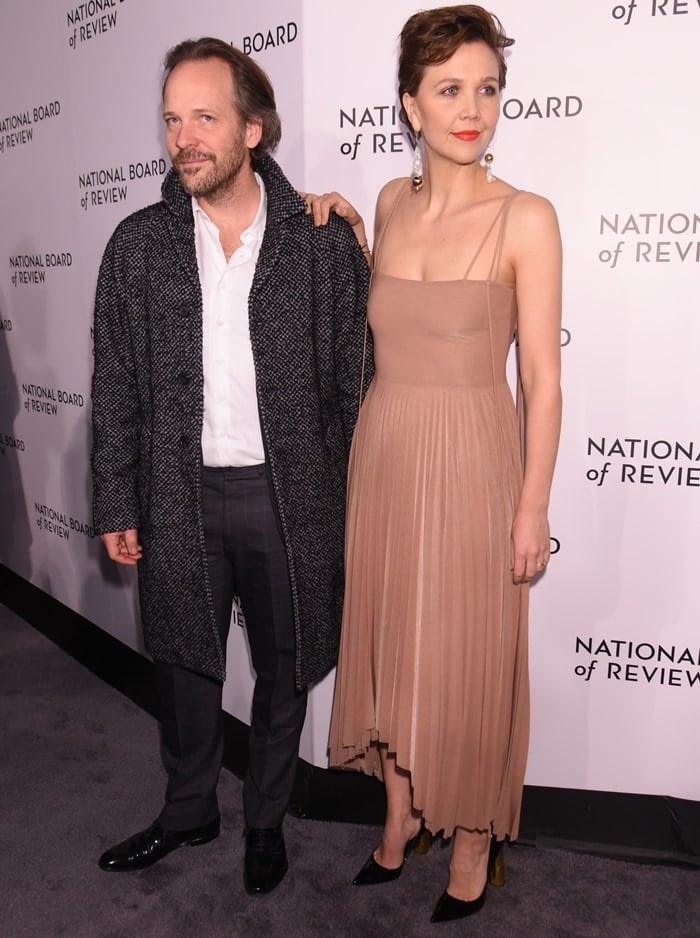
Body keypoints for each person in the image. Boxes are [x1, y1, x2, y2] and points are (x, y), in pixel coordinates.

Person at [90, 37, 370, 895]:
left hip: (290, 497)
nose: (185, 138)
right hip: (177, 494)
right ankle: (188, 812)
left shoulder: (320, 241)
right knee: (182, 665)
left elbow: (356, 386)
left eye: (204, 118)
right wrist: (114, 499)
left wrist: (356, 504)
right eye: (173, 120)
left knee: (286, 667)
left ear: (254, 129)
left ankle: (265, 822)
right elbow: (116, 384)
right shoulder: (136, 245)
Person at [305, 4, 561, 923]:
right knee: (395, 639)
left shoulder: (526, 216)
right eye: (450, 89)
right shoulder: (385, 202)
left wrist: (532, 505)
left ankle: (473, 839)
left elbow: (541, 376)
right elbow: (393, 312)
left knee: (468, 652)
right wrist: (341, 226)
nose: (473, 109)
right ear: (410, 105)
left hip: (475, 457)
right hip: (386, 450)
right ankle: (401, 814)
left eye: (487, 89)